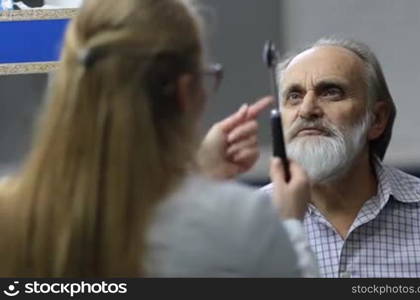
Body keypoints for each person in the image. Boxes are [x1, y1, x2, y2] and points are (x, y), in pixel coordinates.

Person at [0, 0, 317, 277]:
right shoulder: (243, 222)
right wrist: (289, 223)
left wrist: (196, 172)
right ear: (184, 91)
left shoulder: (10, 213)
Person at [256, 36, 420, 277]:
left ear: (377, 119)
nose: (307, 110)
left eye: (331, 92)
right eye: (294, 96)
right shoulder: (243, 223)